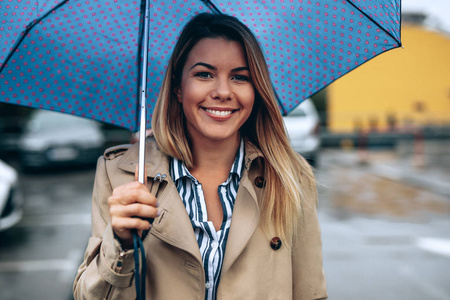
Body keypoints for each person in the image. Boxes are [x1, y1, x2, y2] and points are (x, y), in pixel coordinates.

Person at [73, 12, 327, 300]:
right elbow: (89, 297)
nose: (222, 91)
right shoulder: (120, 174)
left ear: (256, 90)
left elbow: (311, 293)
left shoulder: (291, 177)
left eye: (240, 77)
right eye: (204, 74)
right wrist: (119, 243)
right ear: (179, 88)